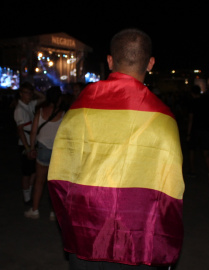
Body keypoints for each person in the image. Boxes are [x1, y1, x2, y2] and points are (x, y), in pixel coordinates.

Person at [47, 29, 184, 269]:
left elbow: (60, 175)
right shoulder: (163, 119)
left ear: (110, 61)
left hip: (87, 231)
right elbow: (170, 193)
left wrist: (70, 223)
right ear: (150, 63)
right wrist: (166, 247)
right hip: (138, 239)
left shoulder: (80, 109)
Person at [24, 86, 67, 219]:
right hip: (57, 152)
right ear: (59, 99)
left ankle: (35, 210)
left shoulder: (40, 112)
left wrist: (32, 148)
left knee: (39, 182)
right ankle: (53, 212)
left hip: (42, 149)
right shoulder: (64, 114)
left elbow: (33, 132)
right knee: (54, 184)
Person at [13, 82, 46, 206]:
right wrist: (27, 148)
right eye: (26, 93)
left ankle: (29, 194)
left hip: (32, 142)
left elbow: (43, 98)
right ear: (21, 94)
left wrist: (34, 89)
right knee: (27, 172)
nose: (30, 95)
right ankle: (27, 197)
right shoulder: (19, 109)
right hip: (25, 144)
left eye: (30, 93)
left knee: (33, 171)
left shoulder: (29, 105)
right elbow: (20, 130)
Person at [186, 85, 209, 182]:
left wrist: (188, 133)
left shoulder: (192, 103)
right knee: (206, 153)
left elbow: (190, 119)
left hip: (195, 130)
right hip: (205, 129)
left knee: (192, 151)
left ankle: (192, 171)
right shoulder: (206, 101)